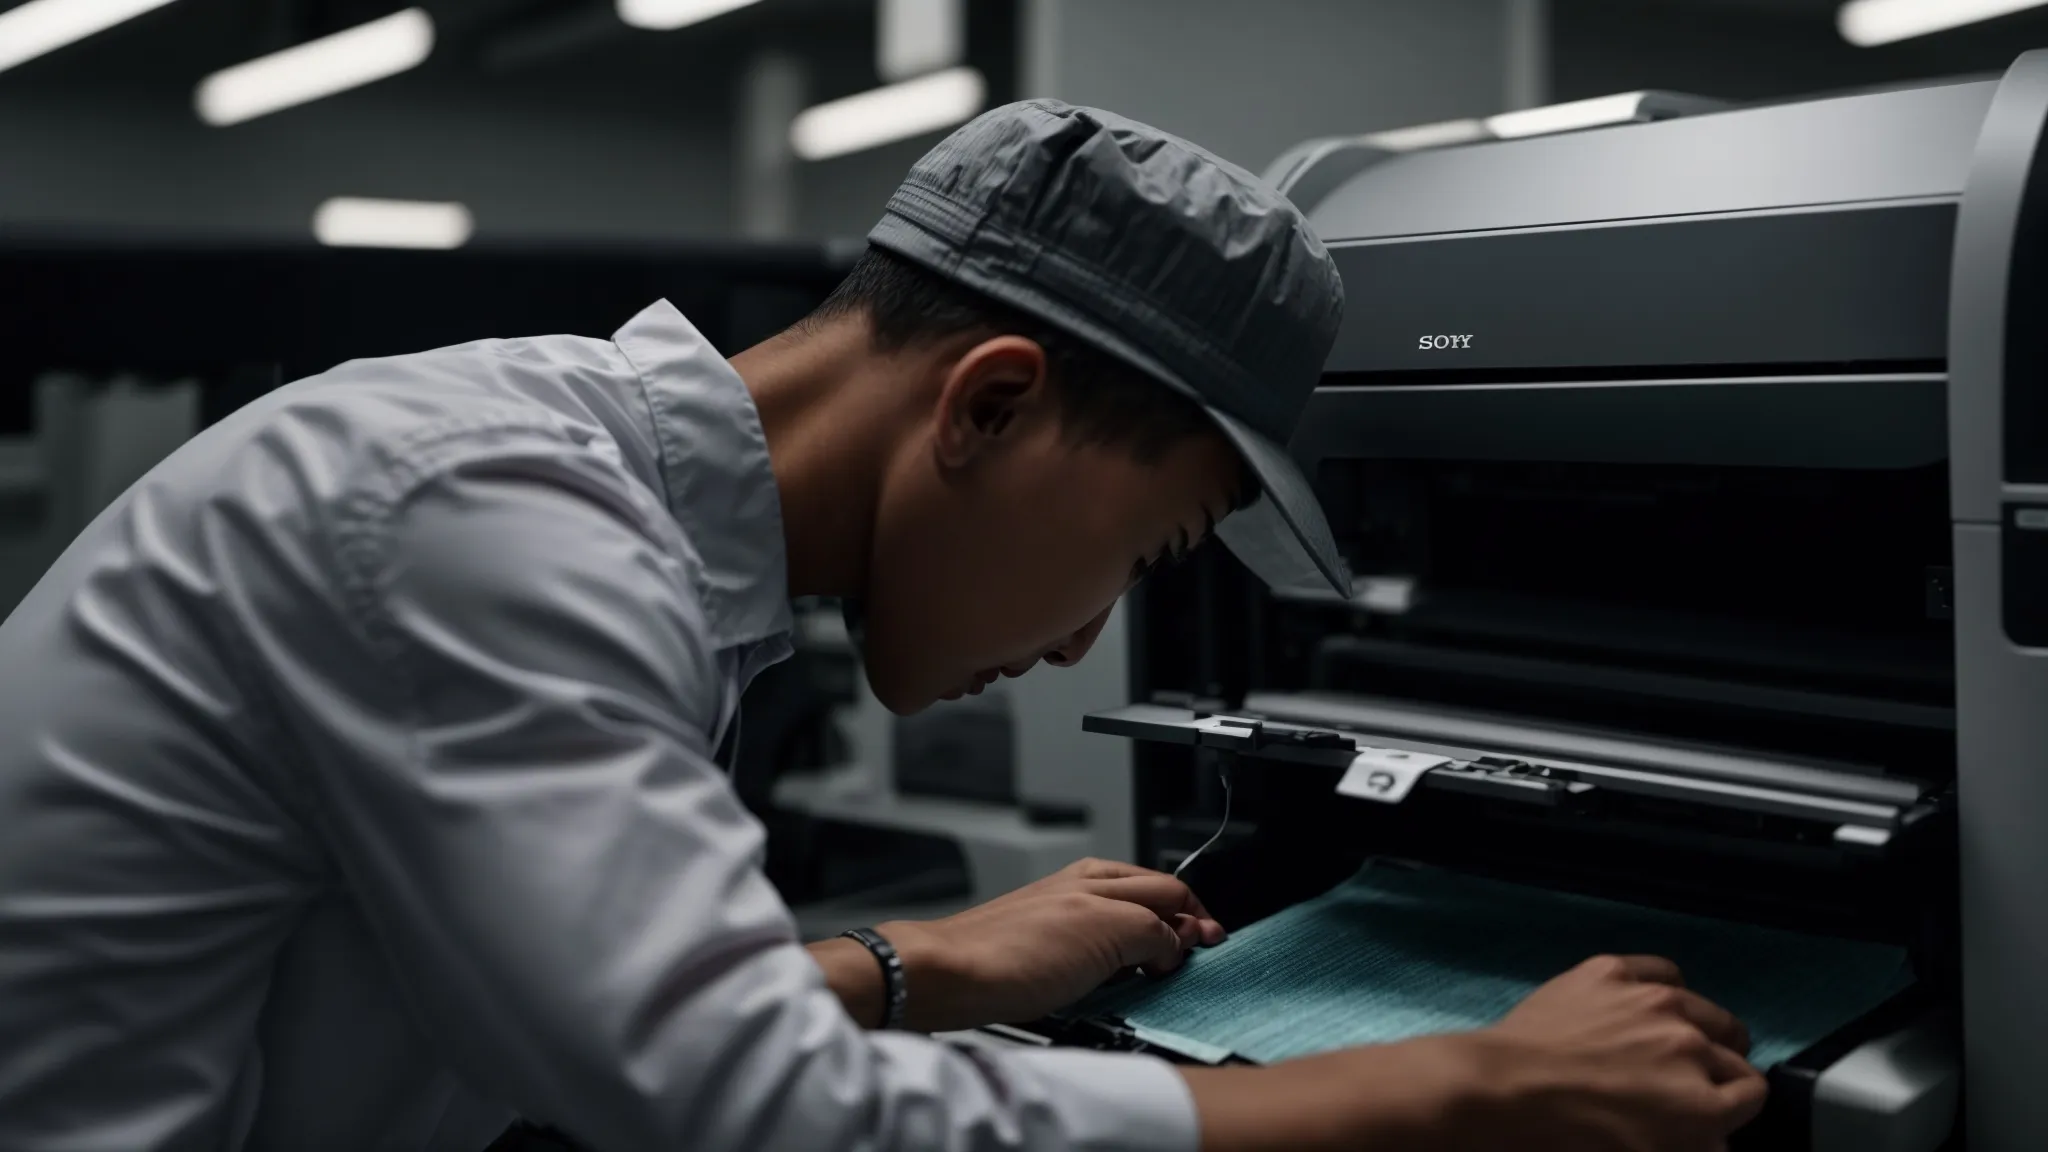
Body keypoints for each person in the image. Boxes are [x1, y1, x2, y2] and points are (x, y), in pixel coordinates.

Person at [0, 101, 1765, 1152]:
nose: (1088, 646)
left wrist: (931, 966)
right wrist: (1460, 1089)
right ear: (987, 406)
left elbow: (537, 1006)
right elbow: (747, 1111)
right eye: (1147, 551)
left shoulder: (586, 501)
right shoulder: (487, 521)